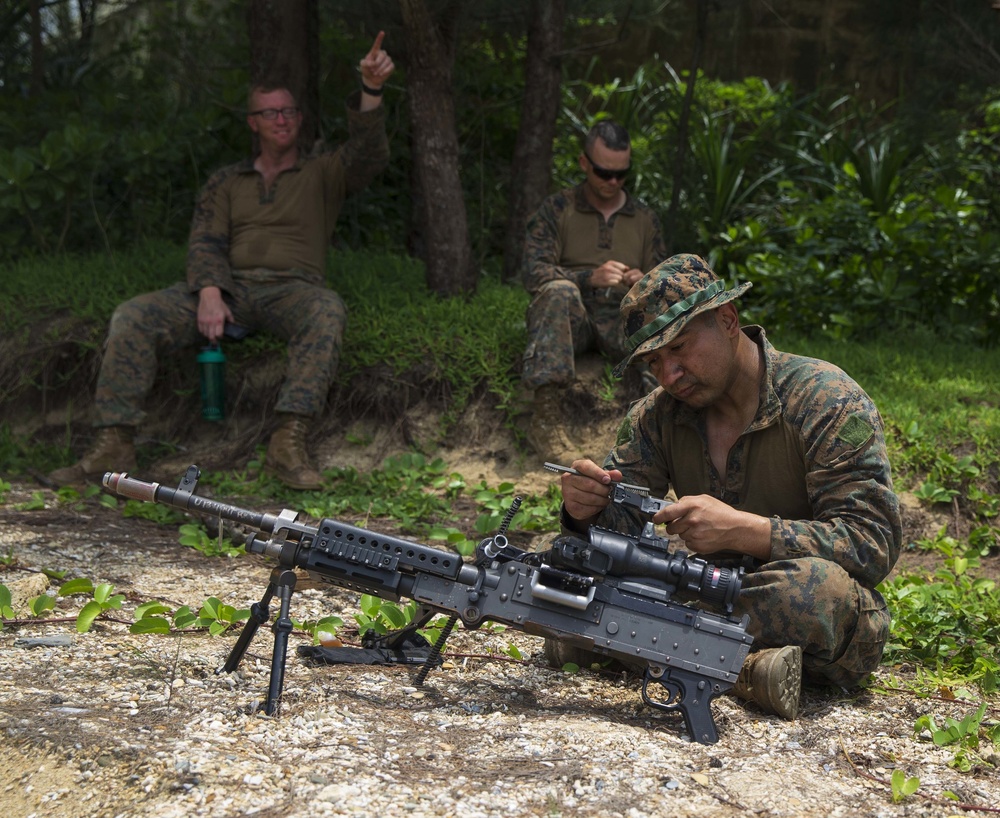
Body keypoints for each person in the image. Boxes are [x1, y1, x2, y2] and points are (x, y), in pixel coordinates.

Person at [552, 253, 902, 720]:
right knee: (570, 558)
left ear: (728, 320)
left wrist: (745, 531)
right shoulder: (656, 416)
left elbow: (871, 543)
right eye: (654, 361)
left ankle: (622, 640)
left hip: (793, 601)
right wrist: (585, 511)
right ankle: (748, 671)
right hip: (703, 590)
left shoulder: (824, 398)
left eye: (679, 348)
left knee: (821, 590)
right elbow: (621, 531)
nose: (669, 374)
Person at [50, 33, 395, 491]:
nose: (281, 119)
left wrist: (371, 89)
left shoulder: (323, 172)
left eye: (289, 111)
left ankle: (287, 443)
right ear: (252, 122)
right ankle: (114, 443)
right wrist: (210, 291)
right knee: (133, 315)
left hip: (290, 289)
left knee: (326, 309)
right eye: (270, 112)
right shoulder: (227, 181)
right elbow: (205, 242)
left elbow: (370, 155)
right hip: (225, 287)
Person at [521, 121, 667, 460]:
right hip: (574, 320)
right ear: (584, 163)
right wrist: (589, 277)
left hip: (625, 322)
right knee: (557, 291)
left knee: (663, 307)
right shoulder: (558, 209)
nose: (613, 181)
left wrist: (642, 280)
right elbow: (532, 273)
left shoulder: (645, 218)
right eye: (603, 172)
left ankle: (662, 428)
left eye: (622, 174)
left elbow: (665, 281)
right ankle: (545, 422)